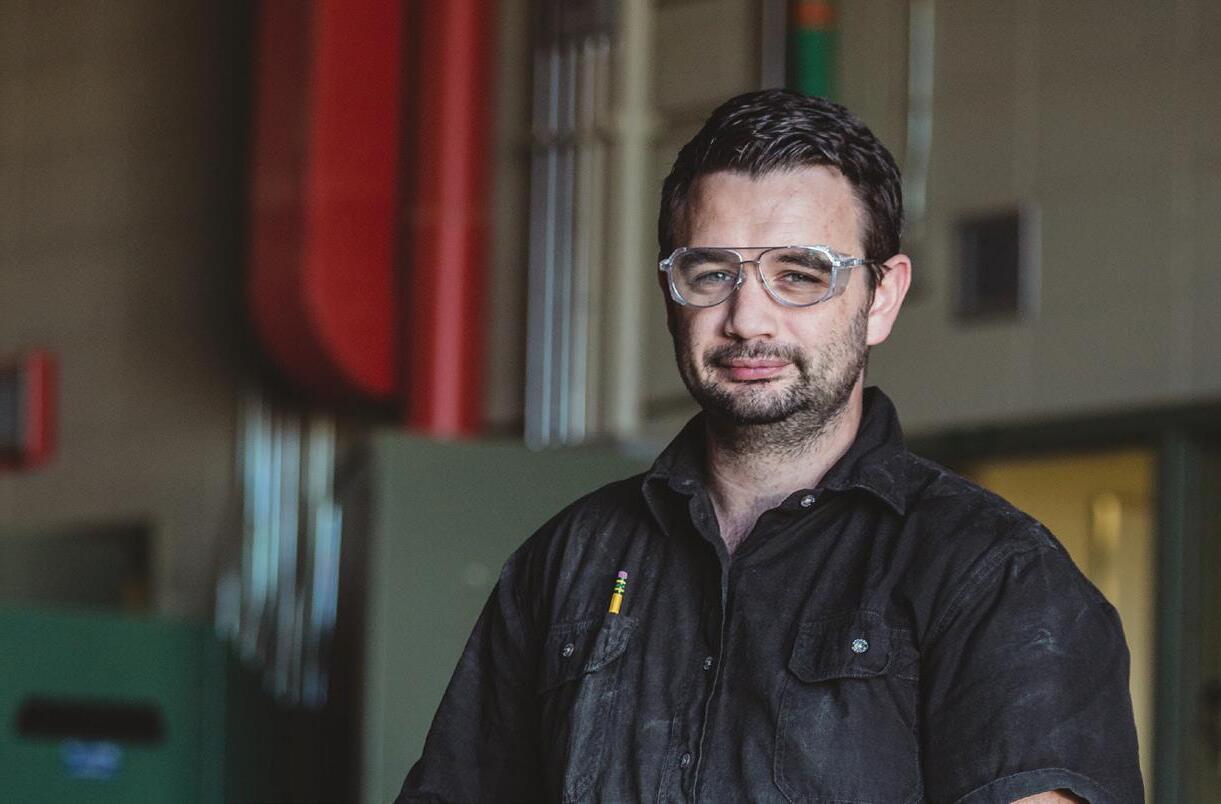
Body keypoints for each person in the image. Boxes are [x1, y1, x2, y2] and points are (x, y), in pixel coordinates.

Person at [397, 89, 1143, 803]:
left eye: (799, 274)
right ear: (670, 294)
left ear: (881, 297)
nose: (748, 319)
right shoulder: (567, 562)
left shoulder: (994, 575)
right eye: (711, 273)